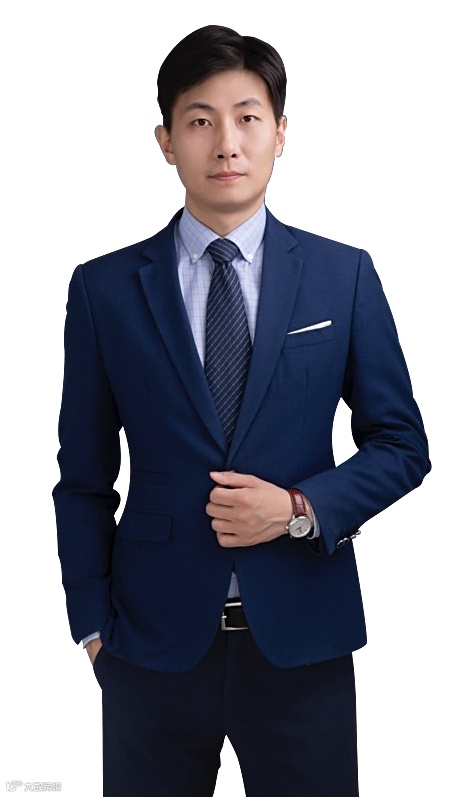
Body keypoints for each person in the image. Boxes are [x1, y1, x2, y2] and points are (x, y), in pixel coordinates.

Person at [52, 24, 430, 797]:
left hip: (303, 638)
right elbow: (83, 478)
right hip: (148, 647)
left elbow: (400, 444)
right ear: (166, 140)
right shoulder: (104, 289)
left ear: (279, 133)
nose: (226, 142)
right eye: (199, 120)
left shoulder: (342, 275)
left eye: (247, 117)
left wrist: (297, 509)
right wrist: (91, 627)